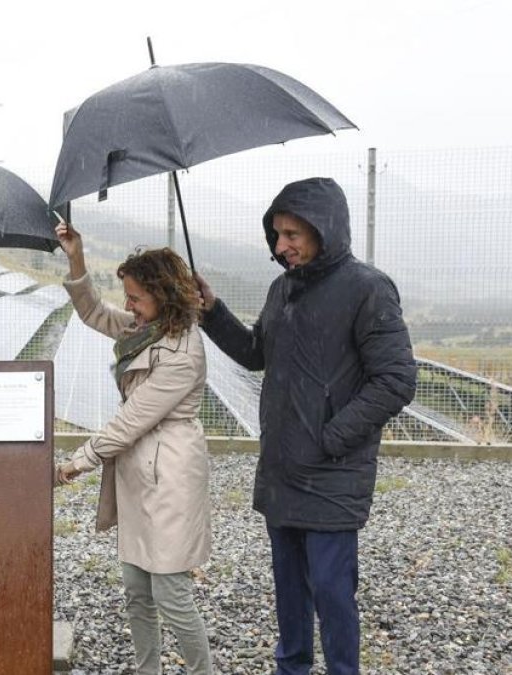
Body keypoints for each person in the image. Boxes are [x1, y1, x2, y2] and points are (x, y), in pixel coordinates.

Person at [196, 177, 417, 675]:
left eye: (292, 234)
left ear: (324, 229)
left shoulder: (368, 289)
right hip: (282, 470)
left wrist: (332, 436)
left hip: (332, 473)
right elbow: (256, 353)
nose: (281, 246)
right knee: (289, 592)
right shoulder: (282, 289)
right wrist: (212, 313)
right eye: (277, 235)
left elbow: (396, 379)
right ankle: (291, 668)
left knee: (333, 594)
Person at [54, 222, 213, 675]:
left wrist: (76, 463)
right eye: (127, 297)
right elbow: (93, 312)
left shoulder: (181, 351)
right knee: (136, 589)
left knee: (171, 593)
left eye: (136, 298)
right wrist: (76, 257)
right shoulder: (147, 329)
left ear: (163, 296)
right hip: (139, 475)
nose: (128, 306)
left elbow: (131, 421)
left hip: (169, 478)